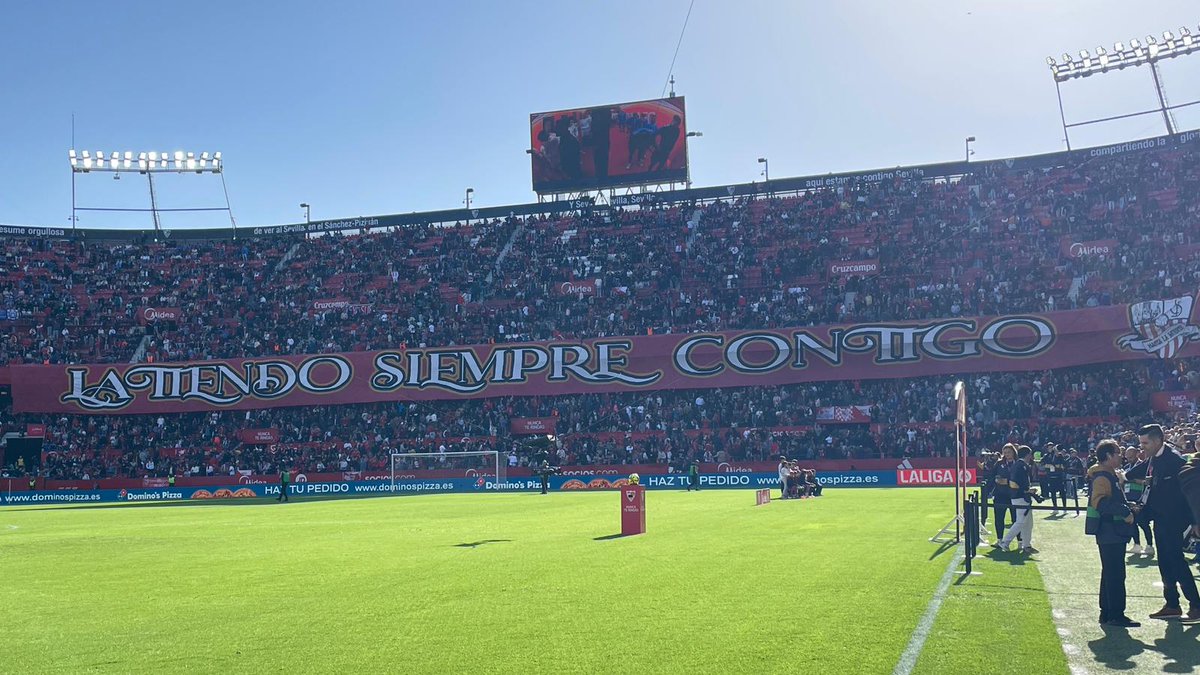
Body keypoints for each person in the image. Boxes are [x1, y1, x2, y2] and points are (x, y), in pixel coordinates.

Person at [1140, 424, 1200, 621]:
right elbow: (1138, 473)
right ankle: (1172, 604)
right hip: (1159, 519)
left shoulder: (1175, 461)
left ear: (1158, 440)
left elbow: (1189, 493)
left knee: (1176, 560)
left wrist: (1194, 521)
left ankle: (1196, 605)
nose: (1143, 447)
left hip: (1175, 520)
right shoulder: (1153, 459)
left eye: (1145, 443)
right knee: (1165, 562)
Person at [1088, 439, 1140, 628]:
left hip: (1111, 531)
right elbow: (1099, 503)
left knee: (1110, 572)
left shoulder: (1108, 475)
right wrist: (1125, 511)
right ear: (1109, 456)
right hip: (1110, 531)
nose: (1121, 455)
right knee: (1116, 573)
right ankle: (1116, 614)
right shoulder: (1103, 476)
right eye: (1118, 453)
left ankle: (1107, 612)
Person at [995, 445, 1037, 554]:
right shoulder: (1019, 466)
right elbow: (1013, 483)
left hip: (1021, 497)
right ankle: (1005, 541)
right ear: (1028, 455)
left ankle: (1026, 545)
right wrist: (1026, 491)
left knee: (1028, 523)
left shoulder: (1020, 465)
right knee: (1021, 522)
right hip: (1019, 497)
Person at [1122, 445, 1153, 557]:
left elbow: (1147, 481)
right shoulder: (1126, 467)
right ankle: (1137, 544)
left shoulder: (1142, 466)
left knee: (1144, 523)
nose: (1129, 459)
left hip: (1141, 499)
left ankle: (1150, 545)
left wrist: (1133, 480)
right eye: (1127, 457)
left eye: (1130, 456)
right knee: (1132, 523)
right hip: (1129, 498)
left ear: (1136, 454)